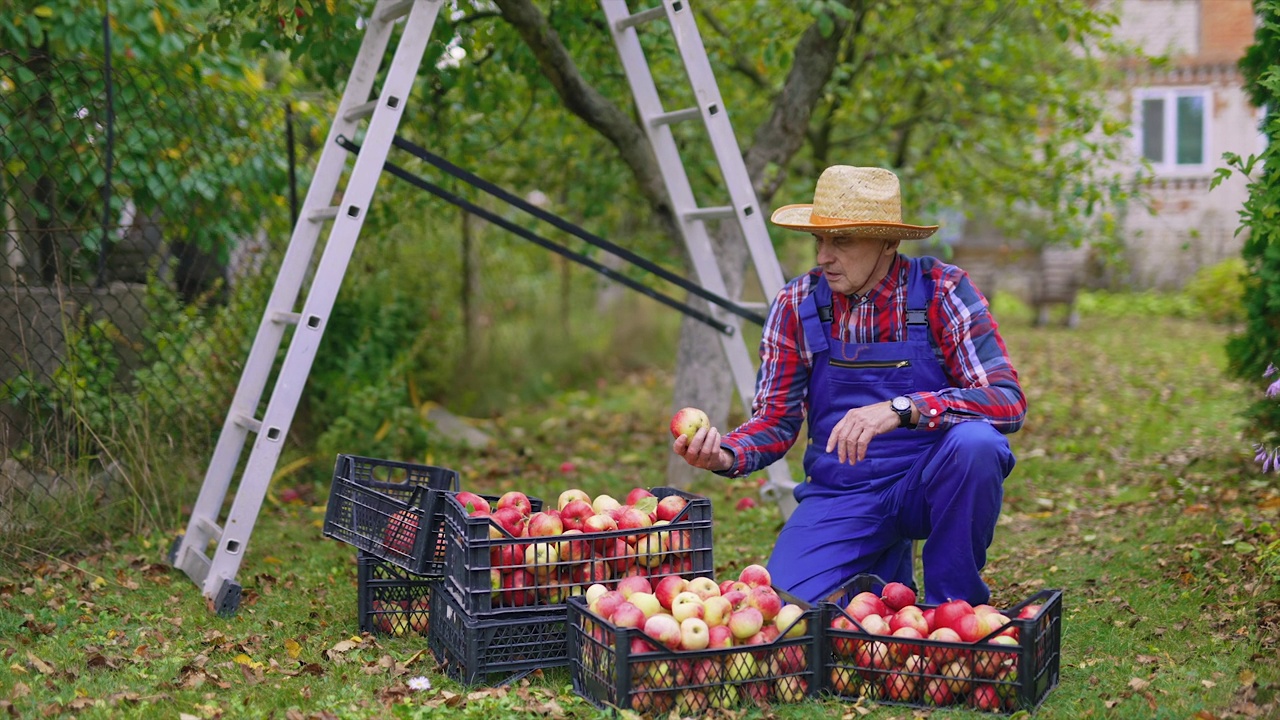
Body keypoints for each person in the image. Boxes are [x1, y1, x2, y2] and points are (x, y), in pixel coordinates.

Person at [672, 165, 1026, 606]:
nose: (823, 256)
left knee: (978, 445)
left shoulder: (942, 290)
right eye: (819, 240)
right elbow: (776, 421)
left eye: (842, 241)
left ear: (888, 243)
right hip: (842, 493)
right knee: (787, 614)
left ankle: (951, 607)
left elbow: (1006, 401)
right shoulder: (797, 303)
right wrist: (725, 452)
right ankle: (881, 571)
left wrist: (904, 408)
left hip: (928, 482)